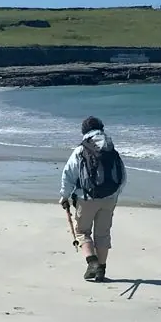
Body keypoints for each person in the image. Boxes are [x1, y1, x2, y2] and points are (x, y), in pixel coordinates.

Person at [59, 116, 126, 281]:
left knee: (82, 231)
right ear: (101, 128)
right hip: (110, 198)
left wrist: (64, 196)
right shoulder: (111, 150)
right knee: (103, 234)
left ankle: (92, 262)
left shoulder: (81, 150)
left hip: (86, 197)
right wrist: (114, 195)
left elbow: (69, 174)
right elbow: (122, 176)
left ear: (84, 131)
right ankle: (101, 270)